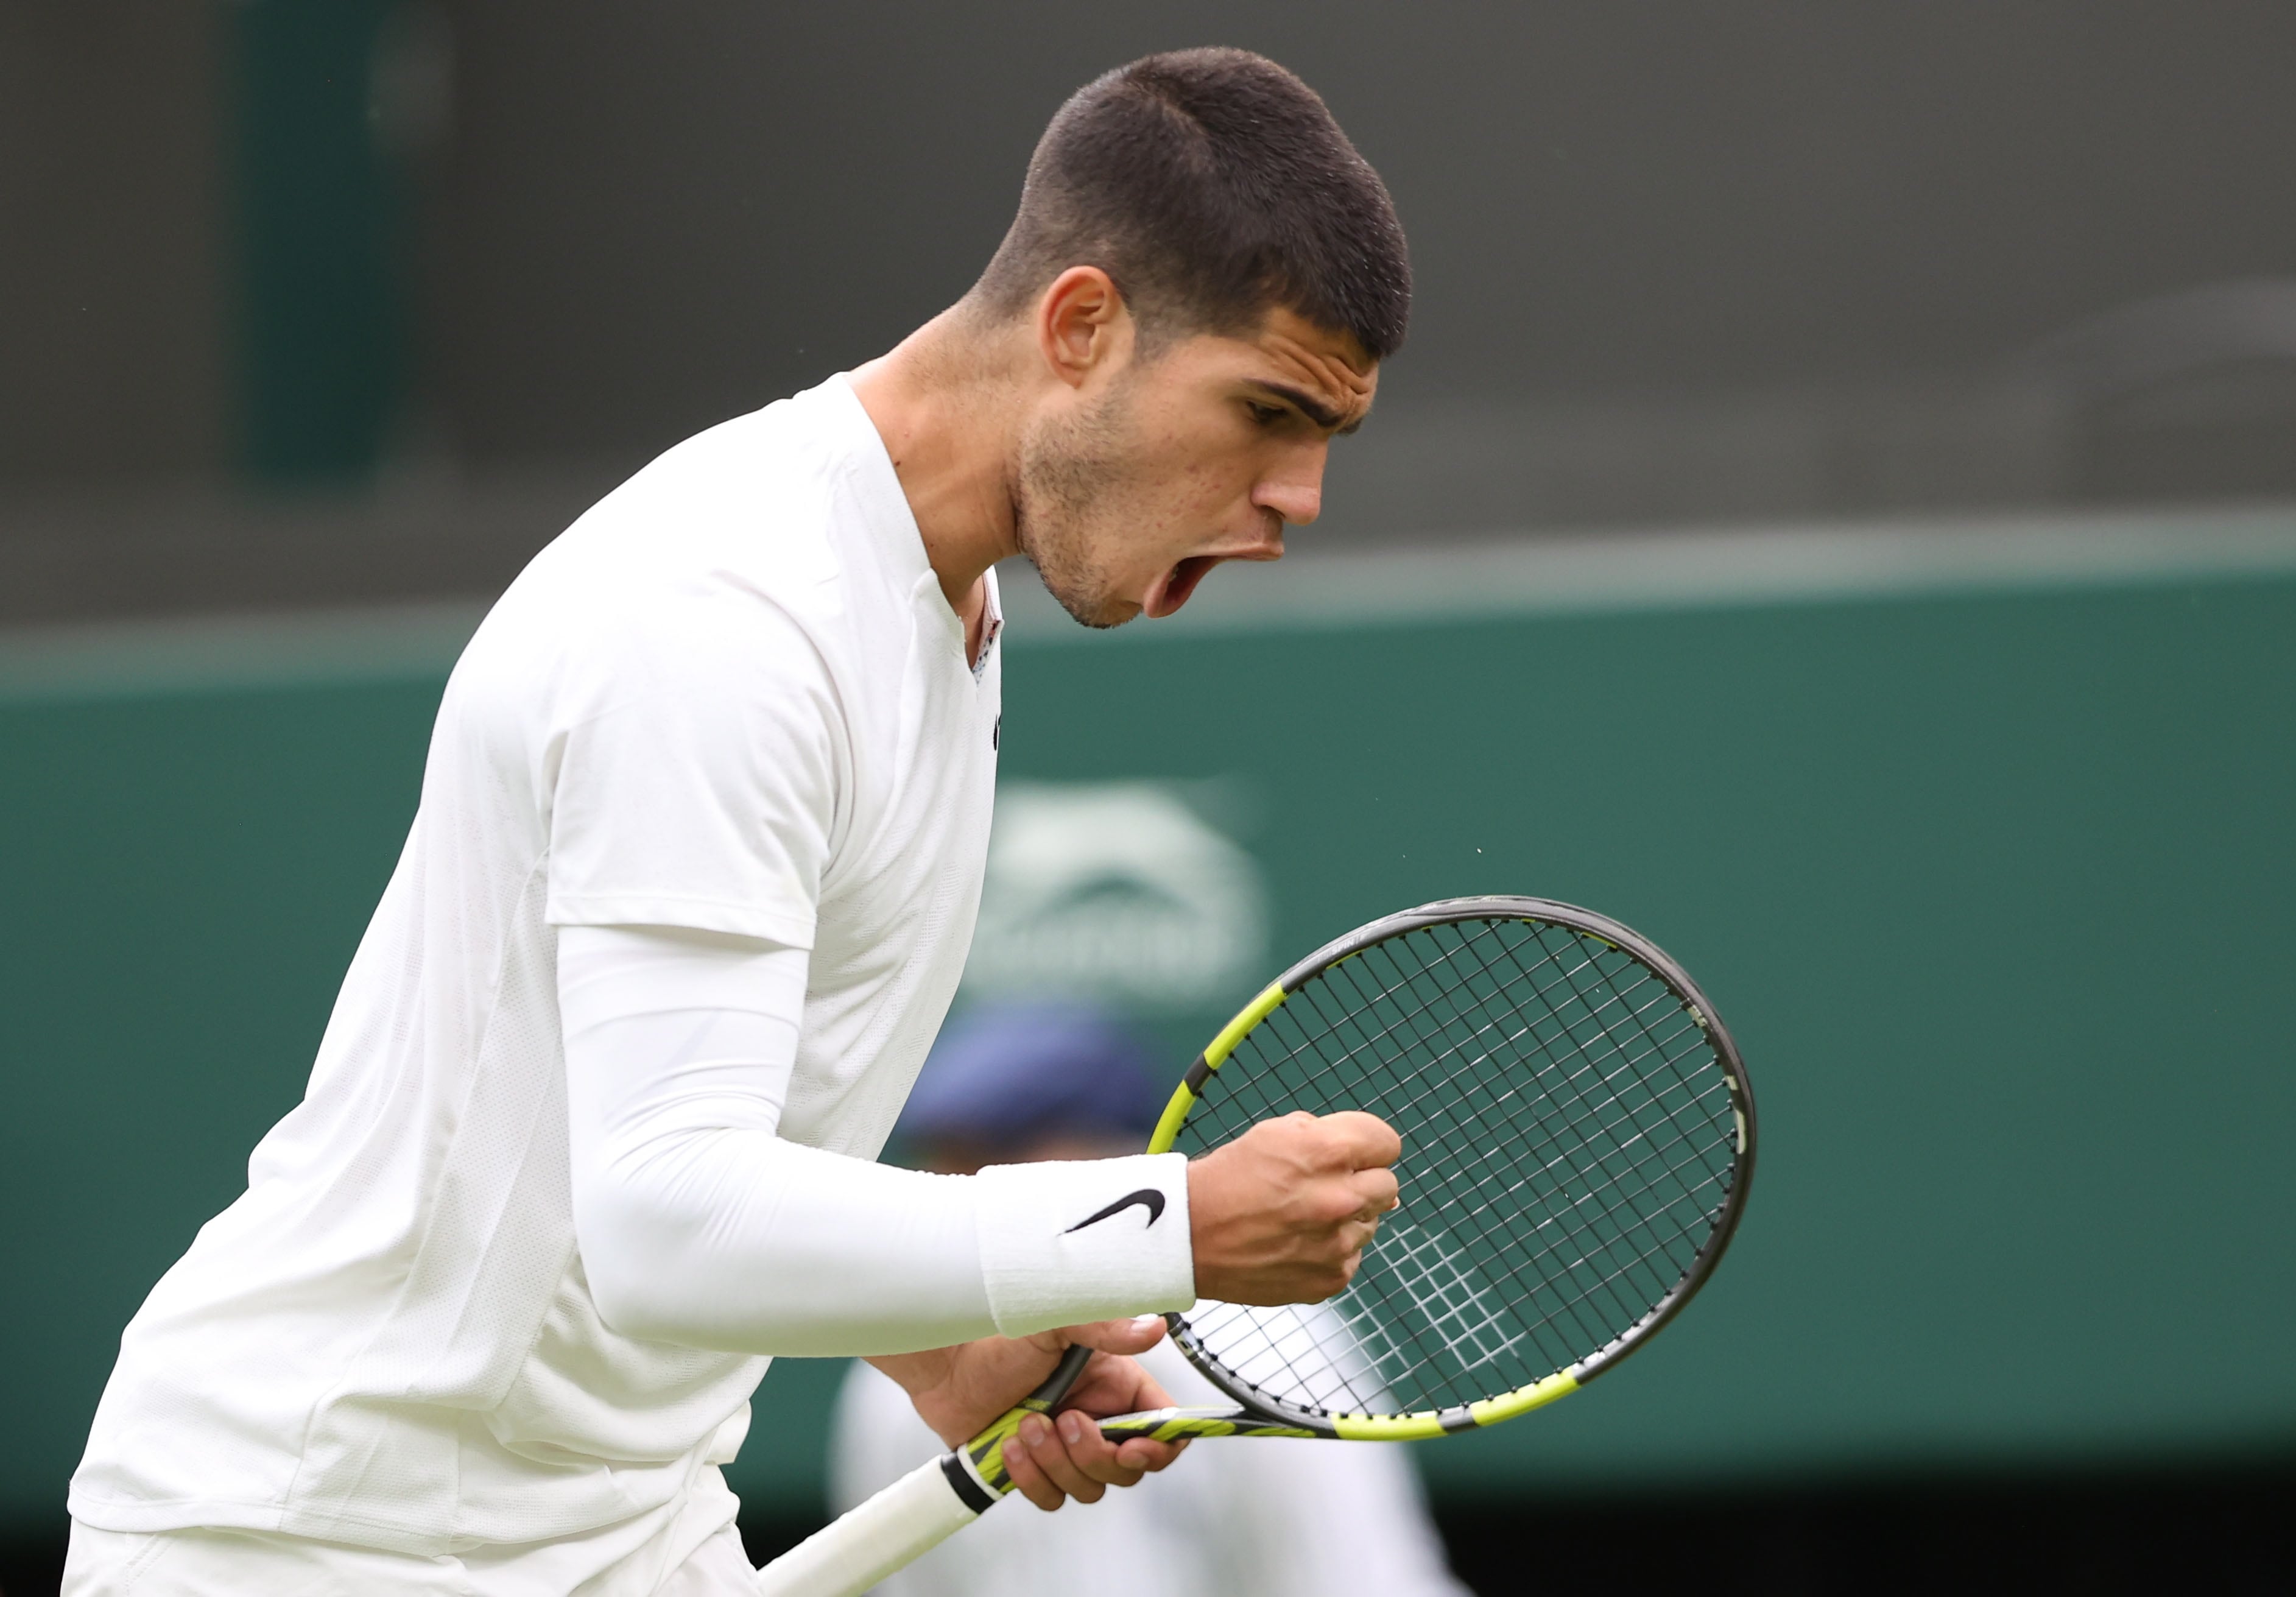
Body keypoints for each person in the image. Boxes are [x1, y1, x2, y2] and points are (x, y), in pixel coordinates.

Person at [63, 47, 1412, 1597]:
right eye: (1266, 411)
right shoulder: (728, 618)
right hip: (308, 1542)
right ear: (1081, 327)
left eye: (1326, 441)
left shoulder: (936, 607)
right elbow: (666, 1211)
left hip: (618, 1528)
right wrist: (1163, 1223)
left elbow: (693, 1153)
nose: (1296, 498)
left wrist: (944, 1355)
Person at [832, 1003, 1472, 1597]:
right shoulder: (897, 1379)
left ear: (1114, 1154)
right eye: (947, 1161)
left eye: (997, 1156)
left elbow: (1361, 1582)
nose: (963, 1189)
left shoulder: (1262, 1342)